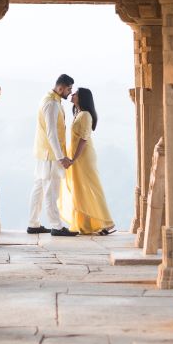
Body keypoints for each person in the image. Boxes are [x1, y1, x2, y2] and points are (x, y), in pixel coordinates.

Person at [27, 73, 78, 237]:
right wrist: (60, 156)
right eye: (69, 89)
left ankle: (33, 224)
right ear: (60, 87)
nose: (70, 92)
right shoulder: (51, 103)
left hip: (44, 153)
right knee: (50, 191)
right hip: (50, 155)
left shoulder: (51, 100)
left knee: (39, 188)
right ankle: (56, 226)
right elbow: (51, 133)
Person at [59, 88, 116, 236]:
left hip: (83, 156)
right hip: (76, 156)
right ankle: (85, 225)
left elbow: (83, 140)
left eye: (75, 93)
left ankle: (107, 223)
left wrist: (73, 159)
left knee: (92, 187)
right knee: (79, 188)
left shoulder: (85, 115)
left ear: (82, 97)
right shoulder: (78, 113)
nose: (72, 95)